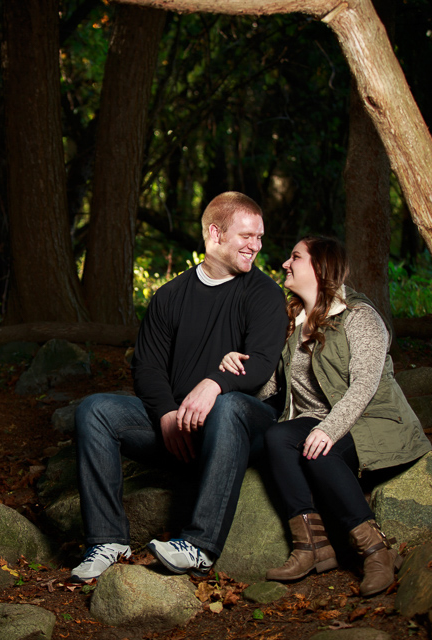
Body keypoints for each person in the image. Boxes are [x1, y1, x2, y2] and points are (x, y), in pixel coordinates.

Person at [70, 192, 288, 583]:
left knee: (229, 406)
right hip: (180, 431)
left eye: (260, 236)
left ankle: (200, 546)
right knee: (94, 410)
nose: (256, 246)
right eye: (246, 236)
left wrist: (214, 384)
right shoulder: (170, 296)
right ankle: (107, 540)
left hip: (242, 427)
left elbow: (260, 366)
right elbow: (148, 368)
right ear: (215, 233)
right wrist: (168, 416)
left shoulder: (265, 295)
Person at [220, 236, 432, 596]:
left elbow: (363, 386)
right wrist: (234, 371)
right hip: (314, 421)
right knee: (276, 437)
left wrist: (329, 430)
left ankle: (377, 551)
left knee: (318, 450)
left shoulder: (359, 316)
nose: (286, 264)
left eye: (295, 257)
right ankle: (312, 545)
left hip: (370, 420)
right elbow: (271, 390)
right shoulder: (292, 322)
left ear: (319, 268)